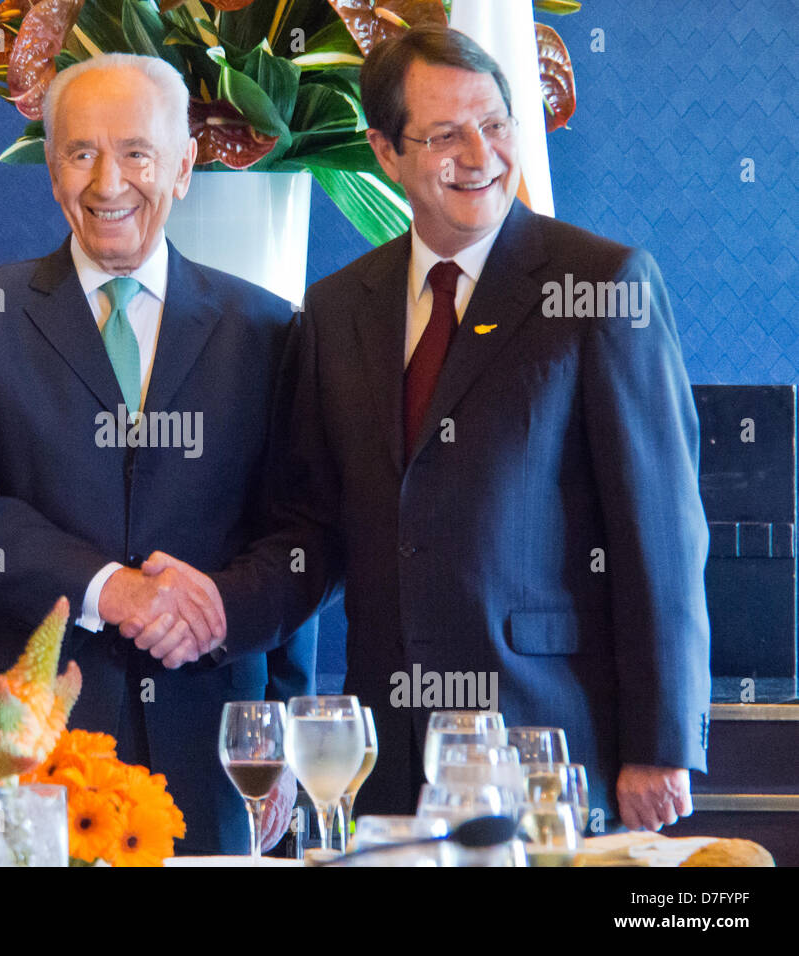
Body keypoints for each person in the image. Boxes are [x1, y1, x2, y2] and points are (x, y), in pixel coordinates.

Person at [206, 26, 711, 832]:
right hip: (390, 755)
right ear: (385, 152)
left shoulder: (602, 284)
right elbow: (311, 527)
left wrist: (661, 743)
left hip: (552, 744)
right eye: (444, 135)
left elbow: (662, 533)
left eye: (496, 124)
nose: (480, 154)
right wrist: (217, 608)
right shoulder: (338, 308)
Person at [0, 53, 315, 855]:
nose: (108, 182)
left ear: (184, 168)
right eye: (80, 152)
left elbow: (299, 537)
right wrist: (111, 591)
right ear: (51, 168)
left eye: (136, 152)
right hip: (30, 750)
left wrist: (283, 728)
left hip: (217, 751)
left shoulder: (270, 332)